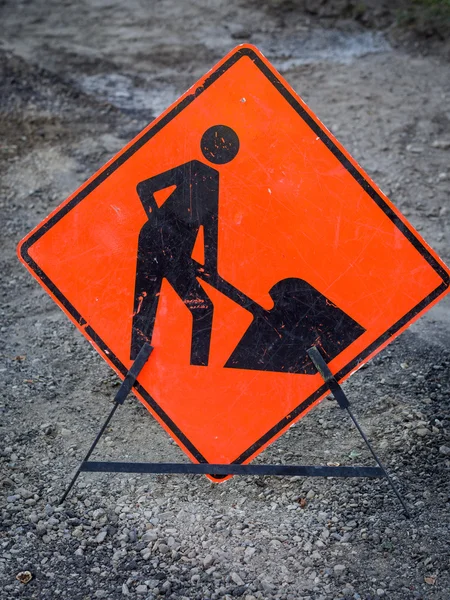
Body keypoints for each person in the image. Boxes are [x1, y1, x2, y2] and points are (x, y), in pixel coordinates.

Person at [131, 125, 240, 365]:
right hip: (152, 241)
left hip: (177, 252)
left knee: (202, 309)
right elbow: (144, 188)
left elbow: (210, 228)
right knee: (145, 302)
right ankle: (137, 367)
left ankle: (197, 371)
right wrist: (159, 225)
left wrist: (210, 267)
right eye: (219, 144)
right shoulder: (192, 168)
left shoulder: (215, 180)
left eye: (228, 146)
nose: (223, 150)